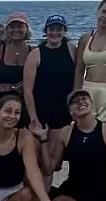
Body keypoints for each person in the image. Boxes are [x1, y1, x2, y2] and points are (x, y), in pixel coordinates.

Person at [25, 15, 77, 171]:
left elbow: (79, 79)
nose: (55, 33)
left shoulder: (71, 50)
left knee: (52, 164)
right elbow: (27, 90)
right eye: (51, 29)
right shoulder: (36, 53)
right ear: (45, 31)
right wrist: (33, 117)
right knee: (35, 161)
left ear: (64, 31)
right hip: (40, 114)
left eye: (59, 29)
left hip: (62, 114)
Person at [72, 0, 106, 124]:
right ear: (98, 11)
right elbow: (79, 71)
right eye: (104, 11)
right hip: (87, 92)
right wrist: (75, 97)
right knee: (86, 131)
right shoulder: (85, 38)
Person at [0, 14, 35, 113]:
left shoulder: (33, 51)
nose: (16, 30)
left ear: (27, 30)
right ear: (6, 30)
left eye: (20, 27)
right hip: (1, 100)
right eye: (12, 27)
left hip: (25, 101)